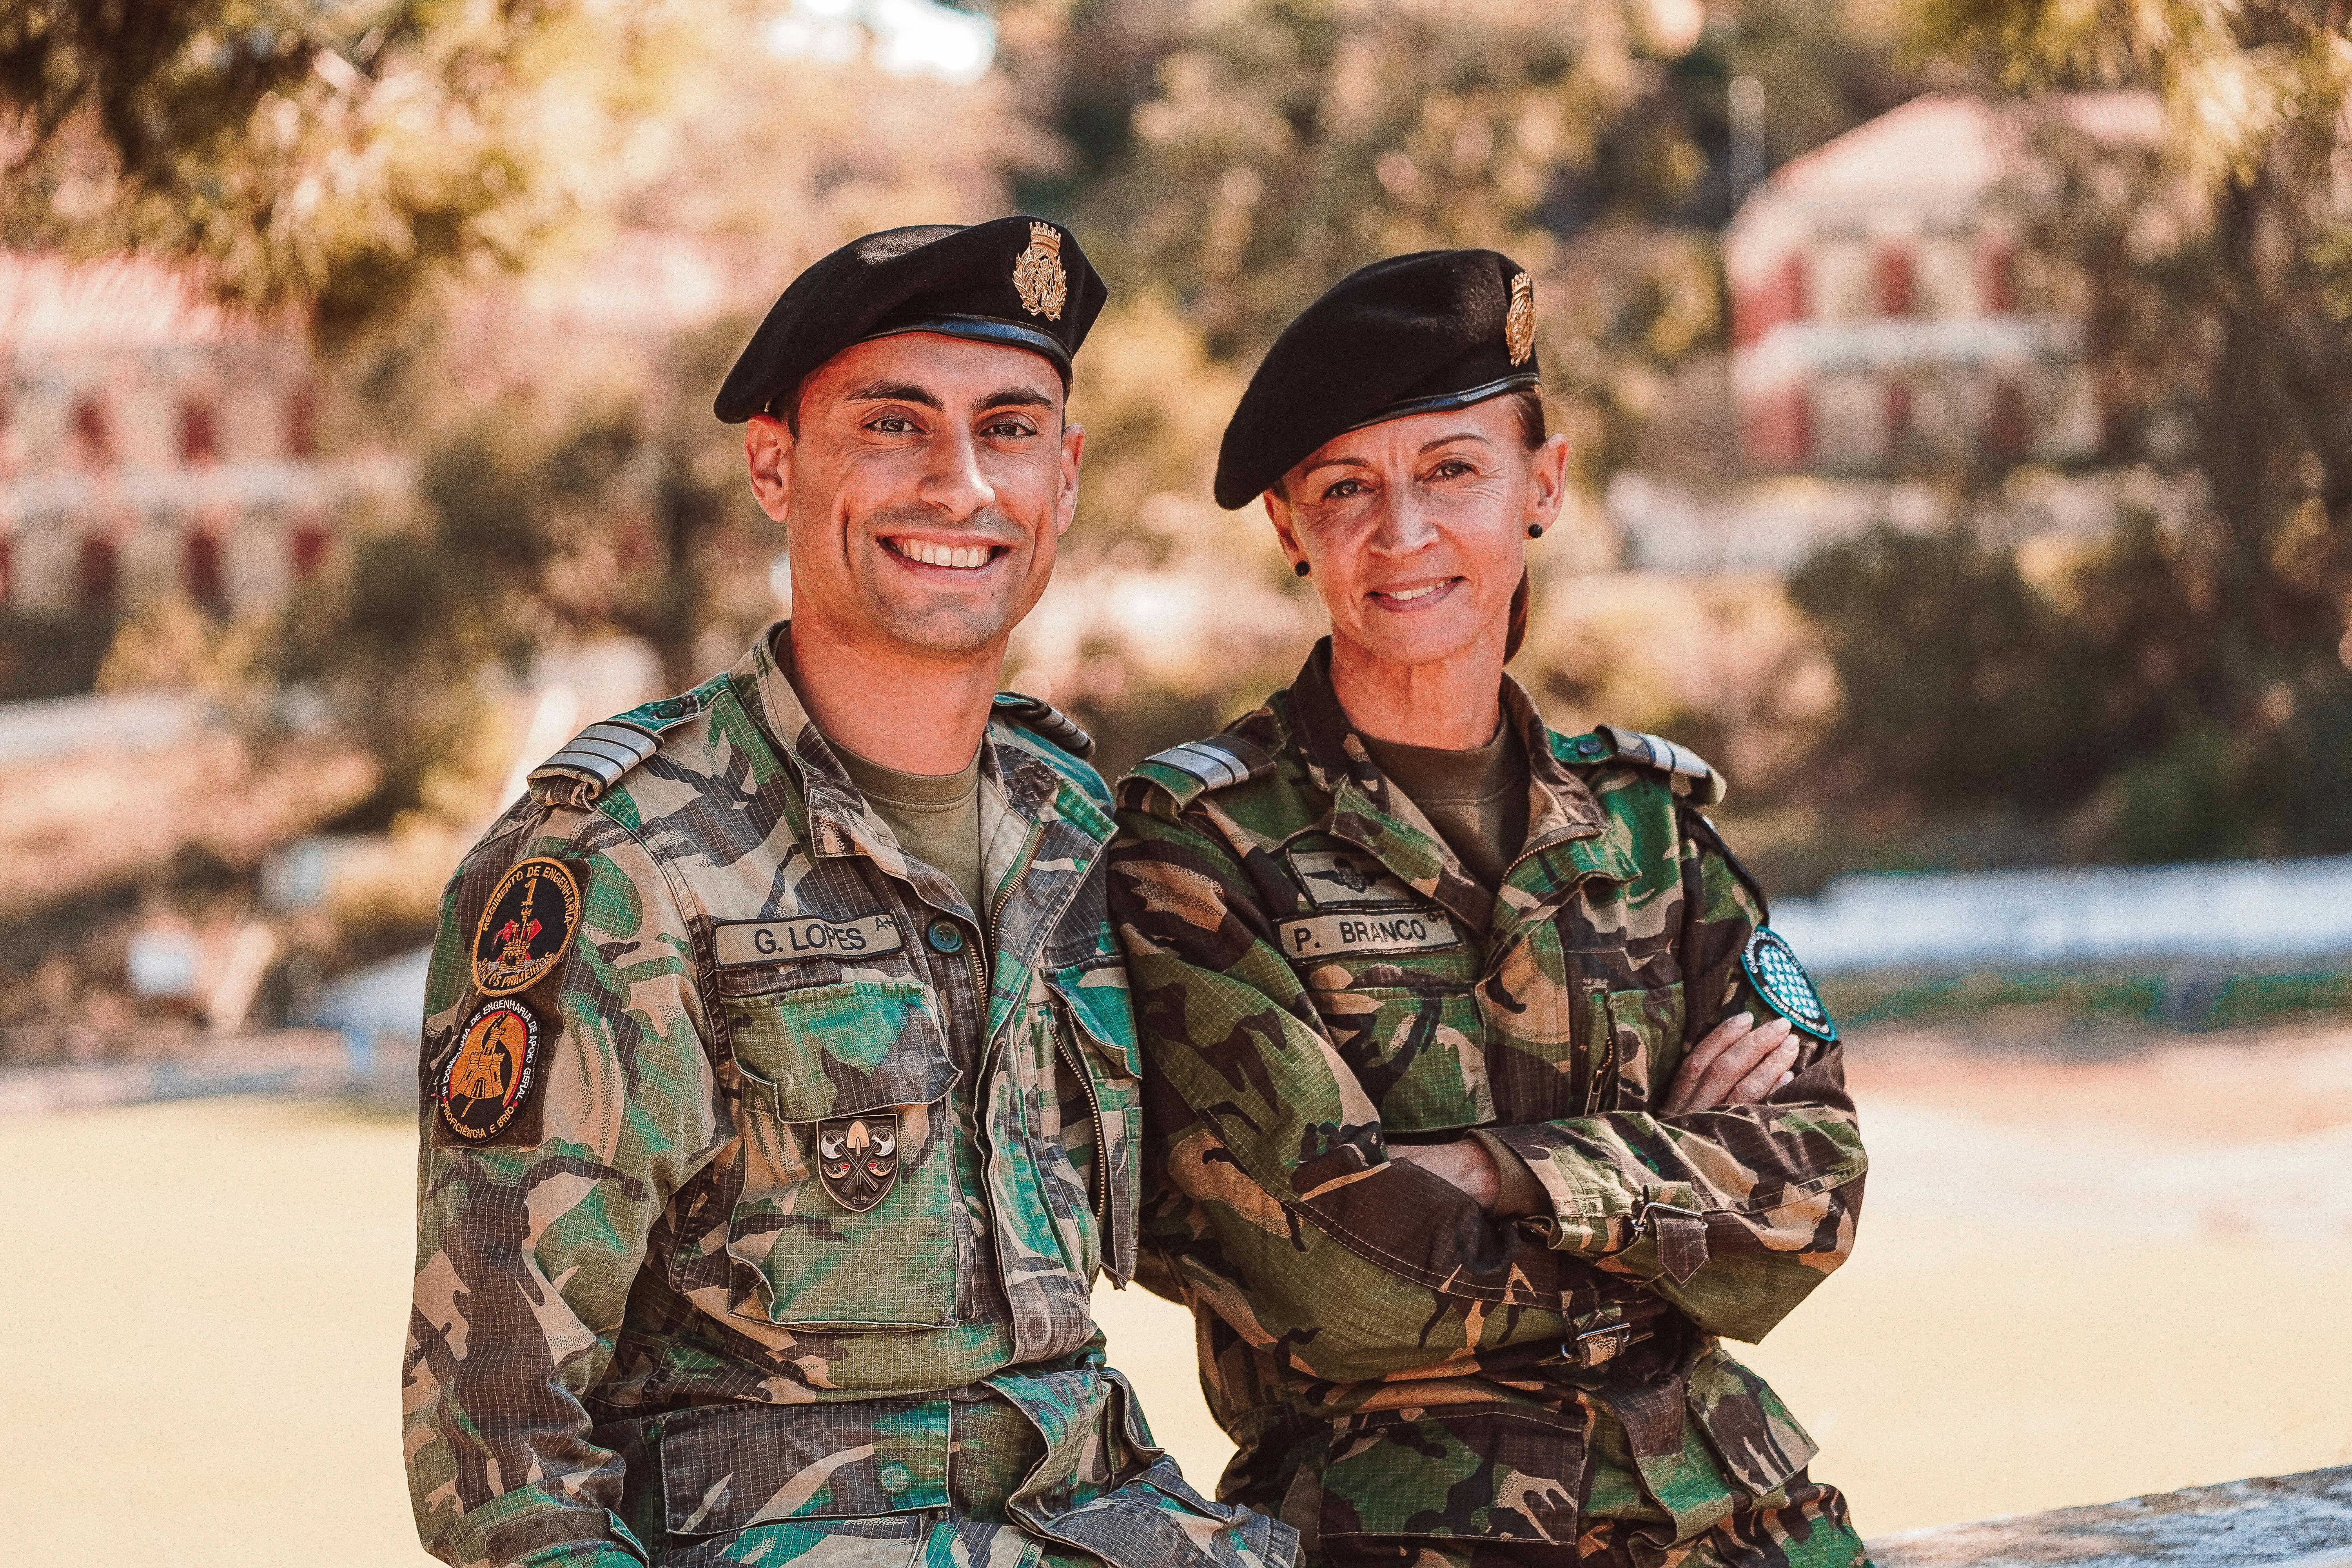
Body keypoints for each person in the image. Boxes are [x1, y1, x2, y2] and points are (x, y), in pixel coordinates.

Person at [403, 218, 1295, 1568]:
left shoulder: (1079, 832)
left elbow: (1270, 1211)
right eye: (893, 425)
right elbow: (502, 1440)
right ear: (776, 464)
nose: (959, 485)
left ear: (1064, 475)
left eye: (1008, 430)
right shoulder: (618, 866)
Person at [1107, 250, 1869, 1567]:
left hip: (1737, 1515)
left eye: (1453, 469)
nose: (1403, 534)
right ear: (1292, 529)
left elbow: (1817, 1191)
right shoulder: (1203, 850)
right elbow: (1334, 1281)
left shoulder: (1651, 828)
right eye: (1348, 489)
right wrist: (1656, 1178)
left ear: (1544, 487)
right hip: (1405, 1527)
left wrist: (1483, 1170)